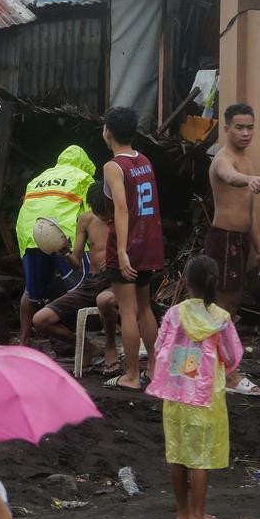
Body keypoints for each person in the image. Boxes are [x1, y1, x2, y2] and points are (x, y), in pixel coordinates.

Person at [146, 256, 242, 519]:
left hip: (175, 393)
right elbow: (231, 355)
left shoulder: (174, 313)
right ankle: (199, 515)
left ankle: (183, 511)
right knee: (200, 458)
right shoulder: (220, 318)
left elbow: (159, 345)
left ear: (186, 282)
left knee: (177, 454)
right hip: (204, 395)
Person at [206, 103, 260, 397]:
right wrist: (248, 180)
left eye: (250, 127)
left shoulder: (248, 160)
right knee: (222, 310)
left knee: (226, 310)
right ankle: (228, 376)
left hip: (240, 241)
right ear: (227, 128)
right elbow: (229, 176)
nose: (246, 133)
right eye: (240, 127)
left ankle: (215, 368)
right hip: (224, 239)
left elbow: (251, 212)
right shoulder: (224, 158)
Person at [101, 107, 164, 391]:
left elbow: (122, 209)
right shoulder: (145, 160)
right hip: (149, 241)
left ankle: (132, 375)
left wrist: (122, 250)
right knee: (145, 307)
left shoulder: (113, 166)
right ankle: (153, 365)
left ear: (108, 132)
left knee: (127, 311)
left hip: (128, 242)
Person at [15, 145, 97, 345]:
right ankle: (81, 343)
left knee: (31, 292)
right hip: (64, 235)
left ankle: (23, 341)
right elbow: (91, 216)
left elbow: (24, 211)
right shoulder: (83, 177)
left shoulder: (38, 179)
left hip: (31, 234)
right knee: (81, 290)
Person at [33, 183, 118, 366]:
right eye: (98, 211)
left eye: (105, 210)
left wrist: (116, 260)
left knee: (105, 300)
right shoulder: (86, 220)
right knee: (40, 320)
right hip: (92, 282)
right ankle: (87, 347)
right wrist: (63, 252)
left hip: (117, 282)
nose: (103, 215)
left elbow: (137, 253)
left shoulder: (123, 219)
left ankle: (111, 347)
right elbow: (76, 263)